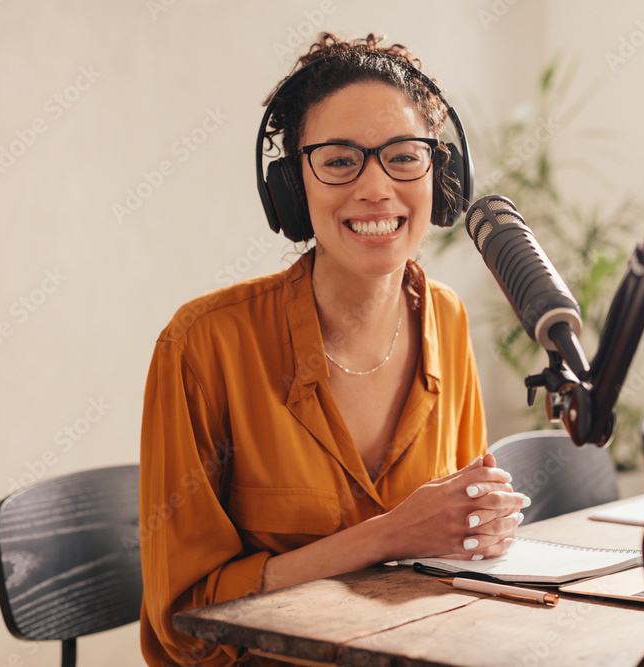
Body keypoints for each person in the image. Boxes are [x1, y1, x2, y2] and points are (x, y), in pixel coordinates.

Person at [138, 33, 529, 666]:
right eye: (341, 160)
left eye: (405, 157)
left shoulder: (447, 320)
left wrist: (478, 527)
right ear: (291, 187)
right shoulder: (203, 346)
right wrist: (389, 535)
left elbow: (452, 542)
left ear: (441, 177)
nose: (377, 189)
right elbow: (185, 623)